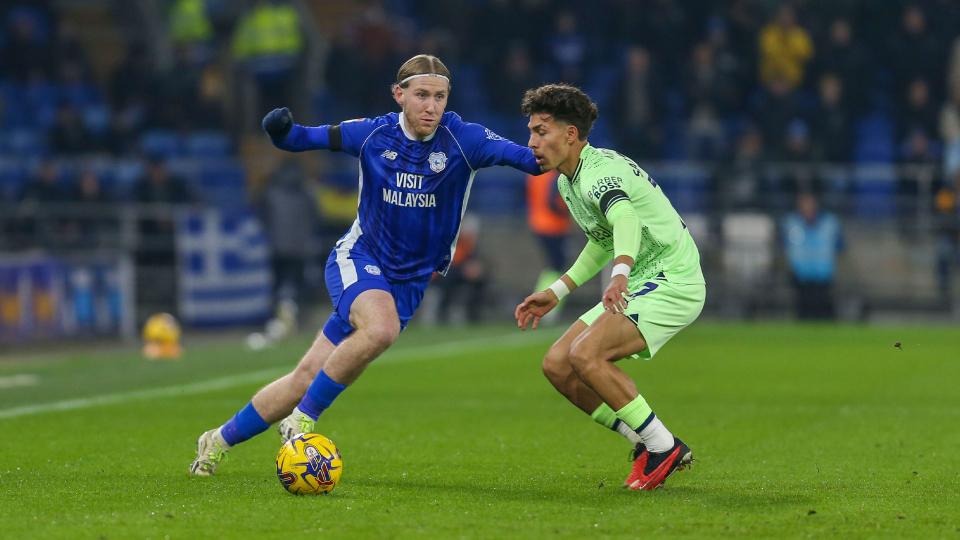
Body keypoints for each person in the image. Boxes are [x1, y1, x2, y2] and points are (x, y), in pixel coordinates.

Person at [190, 54, 541, 476]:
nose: (432, 106)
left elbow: (529, 160)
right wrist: (281, 131)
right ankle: (301, 422)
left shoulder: (465, 140)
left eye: (440, 97)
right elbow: (303, 139)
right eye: (422, 95)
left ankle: (218, 440)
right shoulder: (373, 133)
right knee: (380, 329)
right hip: (359, 258)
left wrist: (563, 146)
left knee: (306, 377)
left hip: (408, 282)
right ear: (399, 95)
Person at [514, 84, 706, 491]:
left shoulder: (598, 175)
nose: (532, 142)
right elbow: (603, 239)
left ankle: (663, 446)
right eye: (531, 131)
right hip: (642, 277)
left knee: (587, 354)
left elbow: (626, 221)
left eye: (541, 131)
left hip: (673, 279)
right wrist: (560, 290)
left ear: (570, 135)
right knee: (558, 364)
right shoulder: (569, 181)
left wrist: (619, 275)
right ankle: (645, 440)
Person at [782, 192, 843, 320]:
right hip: (801, 273)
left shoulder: (829, 223)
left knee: (823, 308)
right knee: (803, 309)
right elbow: (785, 244)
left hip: (823, 272)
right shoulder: (791, 222)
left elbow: (840, 245)